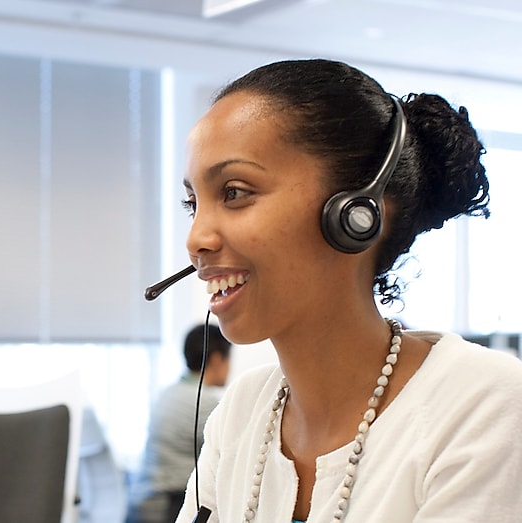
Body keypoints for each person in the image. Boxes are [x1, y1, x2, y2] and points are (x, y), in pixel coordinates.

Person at [173, 58, 522, 522]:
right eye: (193, 203)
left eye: (235, 192)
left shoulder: (483, 405)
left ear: (357, 214)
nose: (196, 239)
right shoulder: (242, 410)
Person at [127, 323, 231, 523]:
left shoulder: (169, 393)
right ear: (217, 359)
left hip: (141, 504)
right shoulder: (205, 404)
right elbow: (232, 458)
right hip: (167, 505)